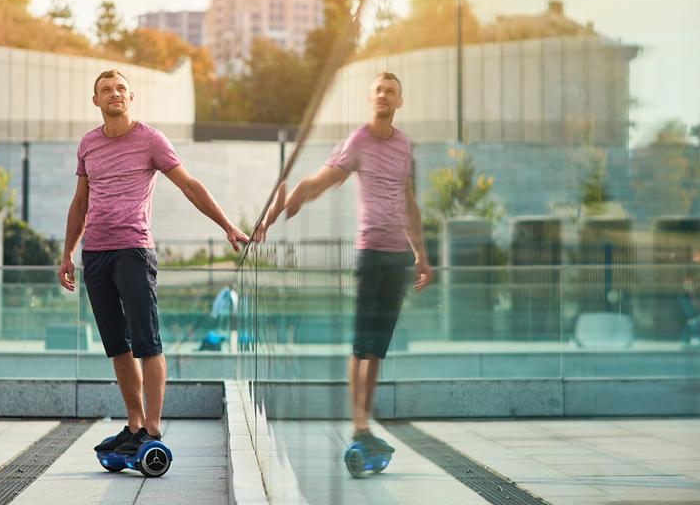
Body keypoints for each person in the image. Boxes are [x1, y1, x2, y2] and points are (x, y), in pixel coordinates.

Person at [57, 69, 248, 456]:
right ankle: (133, 424)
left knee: (147, 342)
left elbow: (190, 185)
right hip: (95, 254)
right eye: (107, 90)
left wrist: (227, 225)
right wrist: (67, 254)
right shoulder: (88, 144)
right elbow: (80, 203)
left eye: (121, 89)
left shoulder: (150, 139)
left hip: (134, 251)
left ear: (131, 97)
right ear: (96, 101)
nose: (115, 94)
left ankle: (153, 428)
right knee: (117, 346)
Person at [255, 72, 432, 457]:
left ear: (399, 102)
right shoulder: (359, 140)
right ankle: (359, 426)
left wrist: (421, 255)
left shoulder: (404, 146)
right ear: (372, 100)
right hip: (370, 253)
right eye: (378, 91)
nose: (384, 95)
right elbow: (319, 182)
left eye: (391, 91)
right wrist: (279, 209)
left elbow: (410, 203)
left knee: (379, 348)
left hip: (398, 256)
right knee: (362, 343)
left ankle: (365, 425)